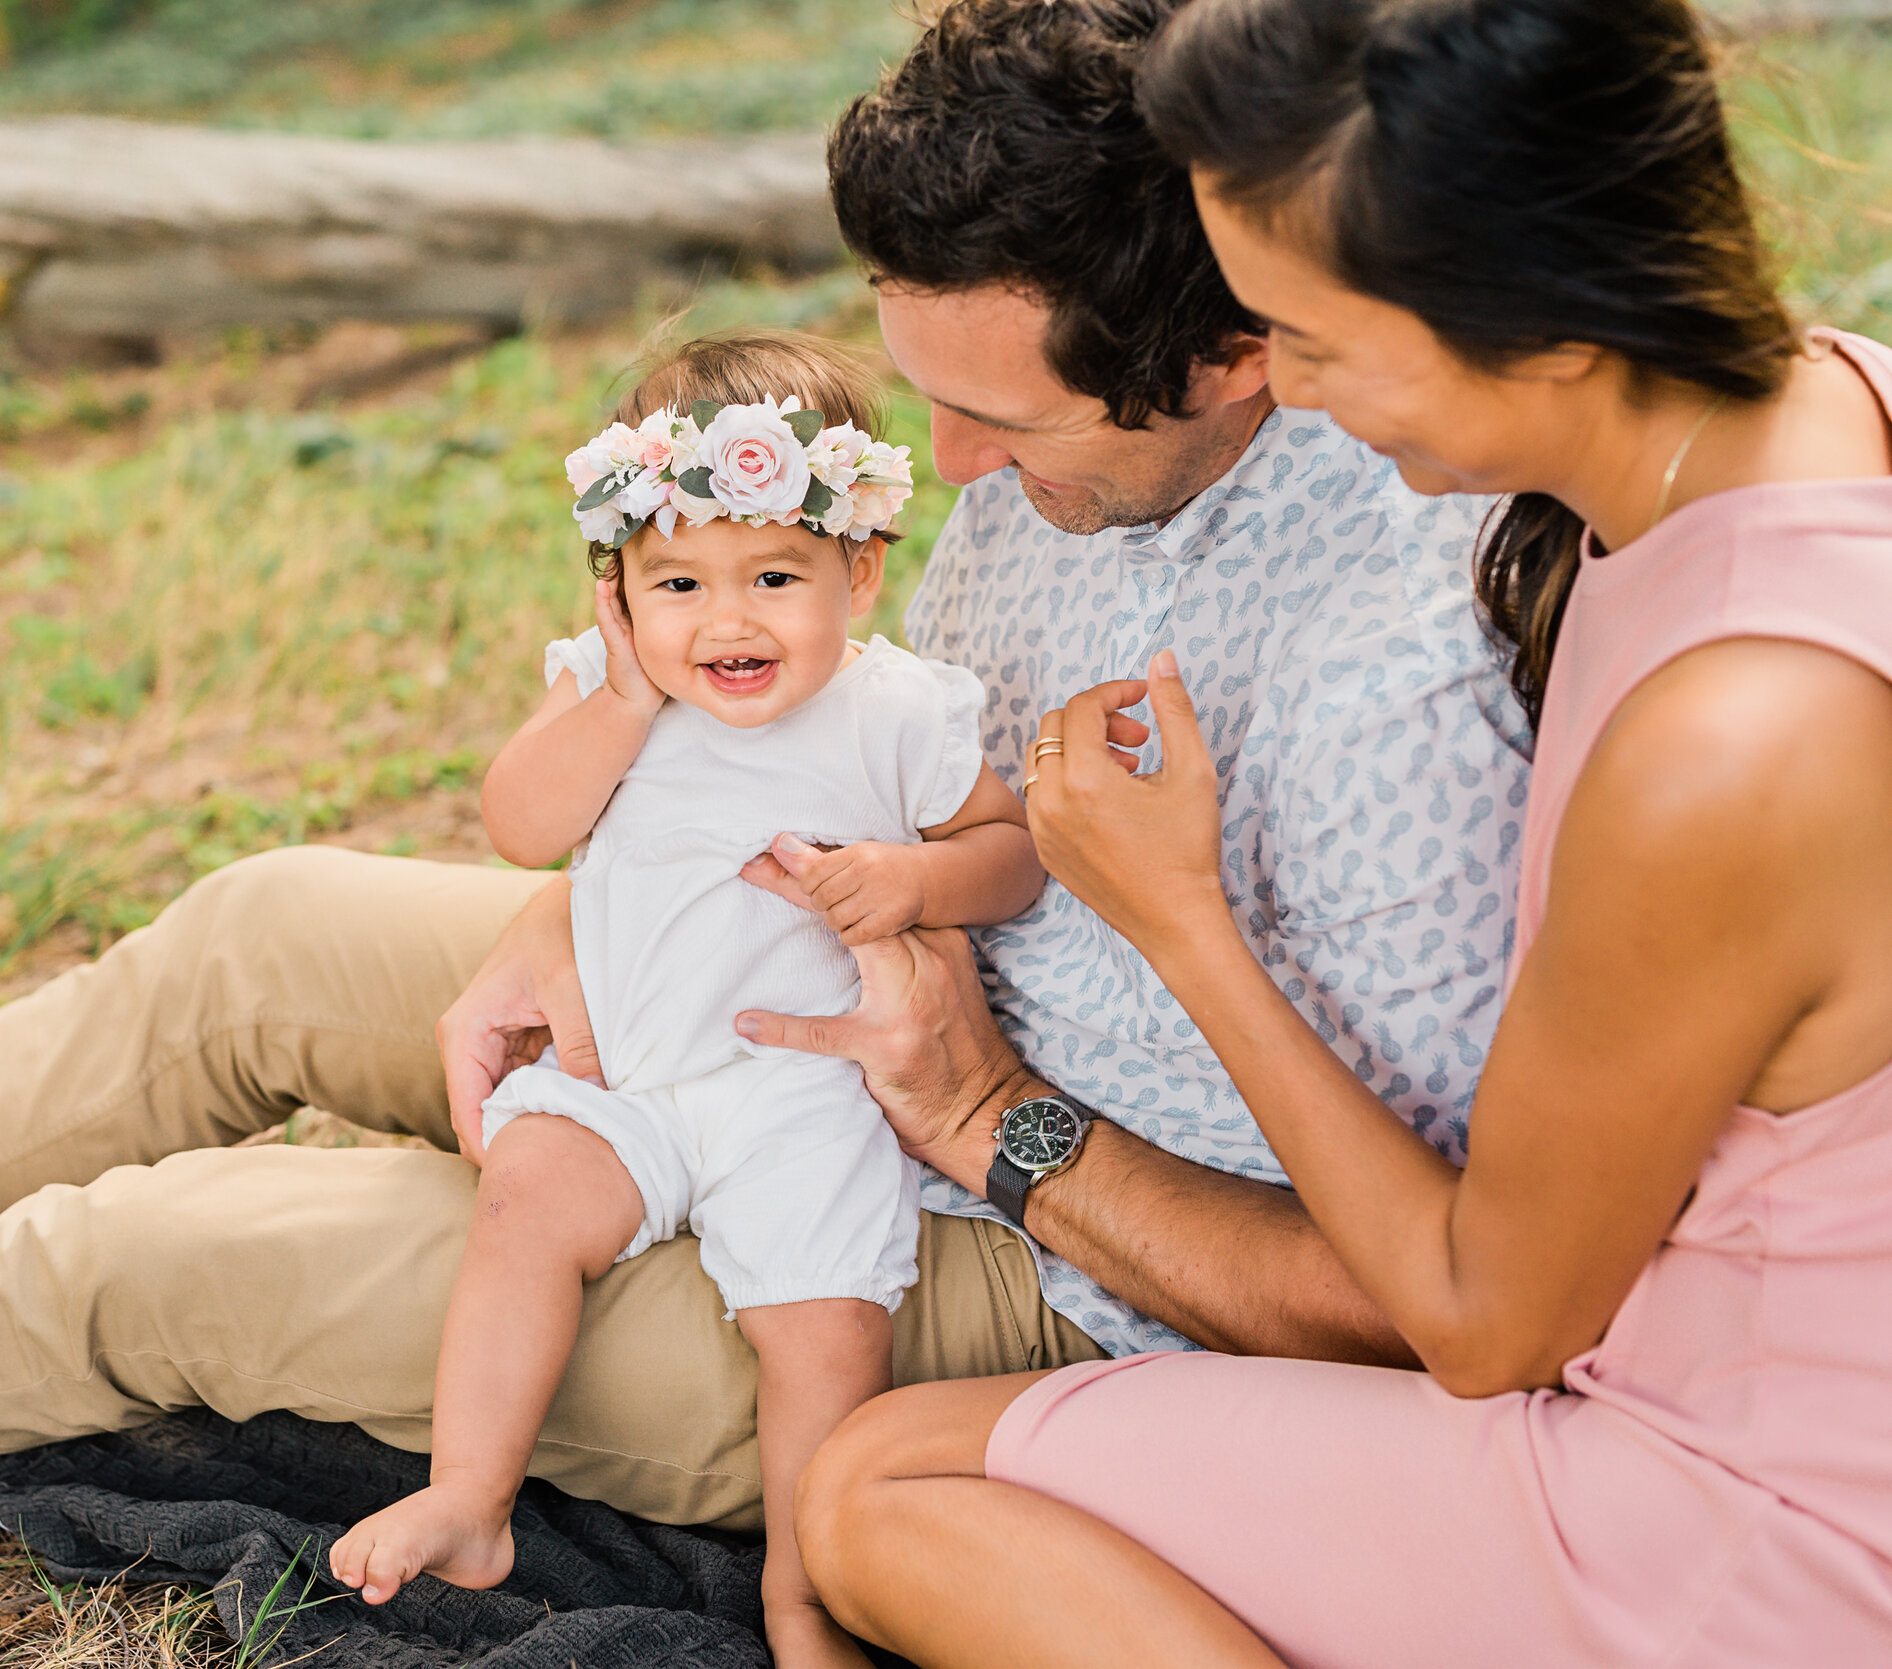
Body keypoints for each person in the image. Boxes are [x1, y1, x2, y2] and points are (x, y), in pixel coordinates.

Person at [0, 0, 1519, 1555]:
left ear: (1237, 335)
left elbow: (1409, 1300)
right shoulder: (1104, 431)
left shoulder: (1388, 679)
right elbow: (855, 747)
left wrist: (983, 1111)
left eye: (1005, 427)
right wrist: (563, 917)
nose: (954, 477)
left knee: (200, 1253)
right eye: (930, 408)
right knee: (271, 932)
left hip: (1017, 1264)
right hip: (815, 980)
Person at [793, 1, 1892, 1664]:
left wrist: (1183, 921)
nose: (1275, 388)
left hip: (1758, 1519)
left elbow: (1481, 1321)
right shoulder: (1799, 416)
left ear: (1538, 317)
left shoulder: (1731, 743)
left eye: (1303, 336)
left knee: (880, 1486)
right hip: (1745, 1367)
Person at [328, 332, 1044, 1668]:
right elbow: (519, 823)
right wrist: (612, 696)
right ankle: (471, 1494)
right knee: (527, 1190)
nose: (728, 620)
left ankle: (803, 1594)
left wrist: (914, 876)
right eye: (678, 583)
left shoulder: (897, 711)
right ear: (618, 591)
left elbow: (1009, 853)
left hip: (805, 1090)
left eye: (776, 575)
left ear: (860, 566)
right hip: (638, 1074)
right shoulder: (616, 697)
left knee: (824, 1325)